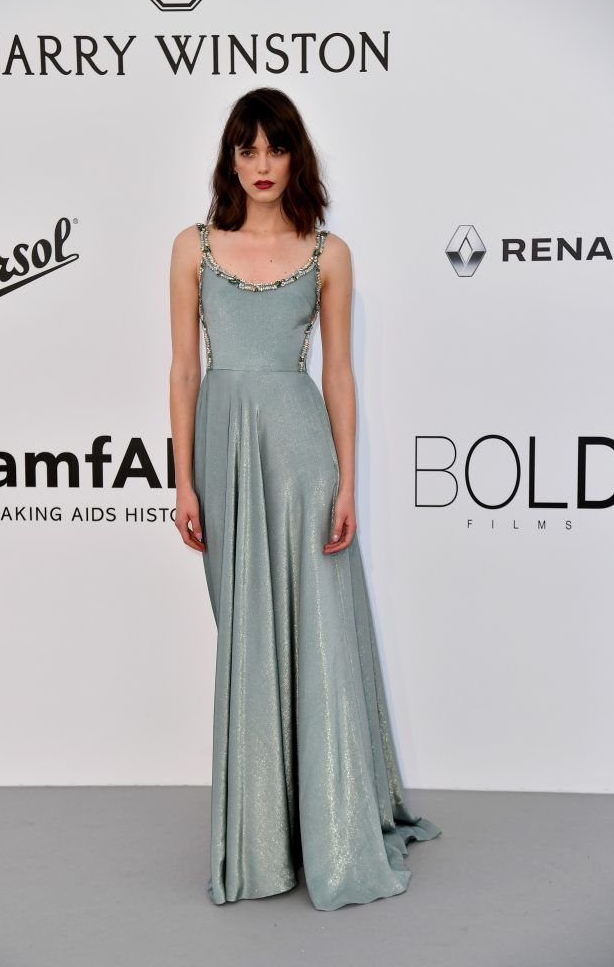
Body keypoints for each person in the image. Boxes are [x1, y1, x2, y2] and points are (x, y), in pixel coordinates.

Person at [169, 87, 441, 911]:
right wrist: (181, 477)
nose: (259, 165)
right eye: (245, 149)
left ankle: (331, 824)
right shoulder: (192, 247)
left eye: (274, 148)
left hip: (303, 458)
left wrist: (348, 480)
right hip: (223, 455)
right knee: (247, 637)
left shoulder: (330, 253)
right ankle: (263, 837)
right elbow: (184, 370)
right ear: (229, 159)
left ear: (296, 158)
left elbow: (339, 373)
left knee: (317, 639)